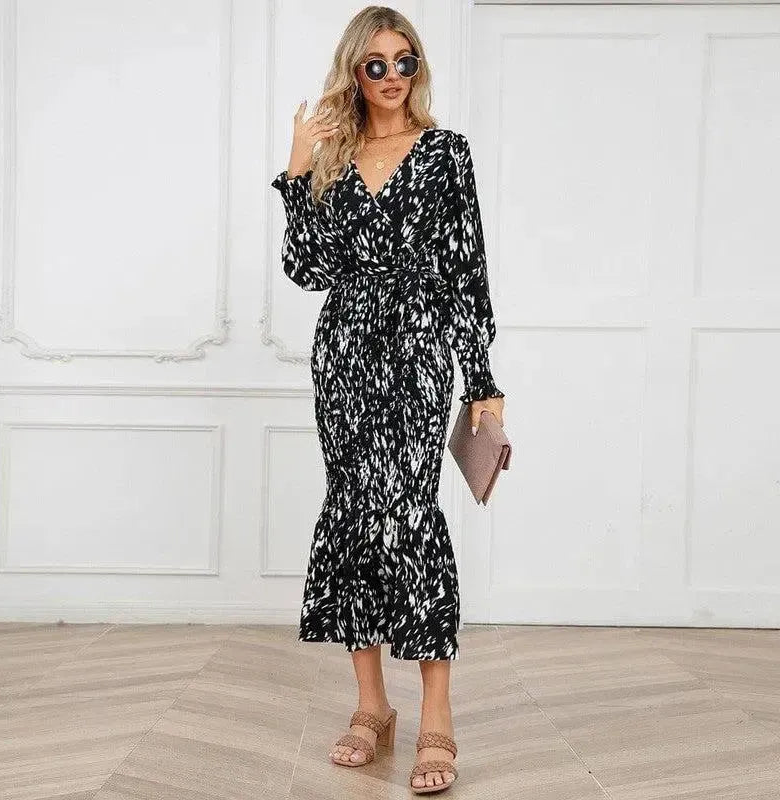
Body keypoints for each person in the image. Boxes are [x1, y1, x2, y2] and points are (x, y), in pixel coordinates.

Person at [270, 5, 505, 794]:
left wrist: (482, 380)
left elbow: (466, 271)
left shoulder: (444, 153)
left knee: (411, 513)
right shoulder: (335, 156)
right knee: (352, 511)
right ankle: (371, 705)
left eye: (406, 61)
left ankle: (437, 710)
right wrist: (297, 172)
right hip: (343, 353)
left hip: (418, 351)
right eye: (377, 64)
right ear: (354, 71)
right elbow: (308, 270)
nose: (394, 75)